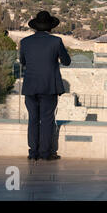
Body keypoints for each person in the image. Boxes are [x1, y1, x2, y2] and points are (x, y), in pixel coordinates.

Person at [20, 11, 71, 160]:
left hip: (30, 86)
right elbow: (66, 61)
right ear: (50, 27)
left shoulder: (25, 42)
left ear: (35, 27)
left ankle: (33, 152)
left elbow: (23, 62)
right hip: (49, 86)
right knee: (47, 119)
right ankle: (45, 153)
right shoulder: (56, 41)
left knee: (33, 119)